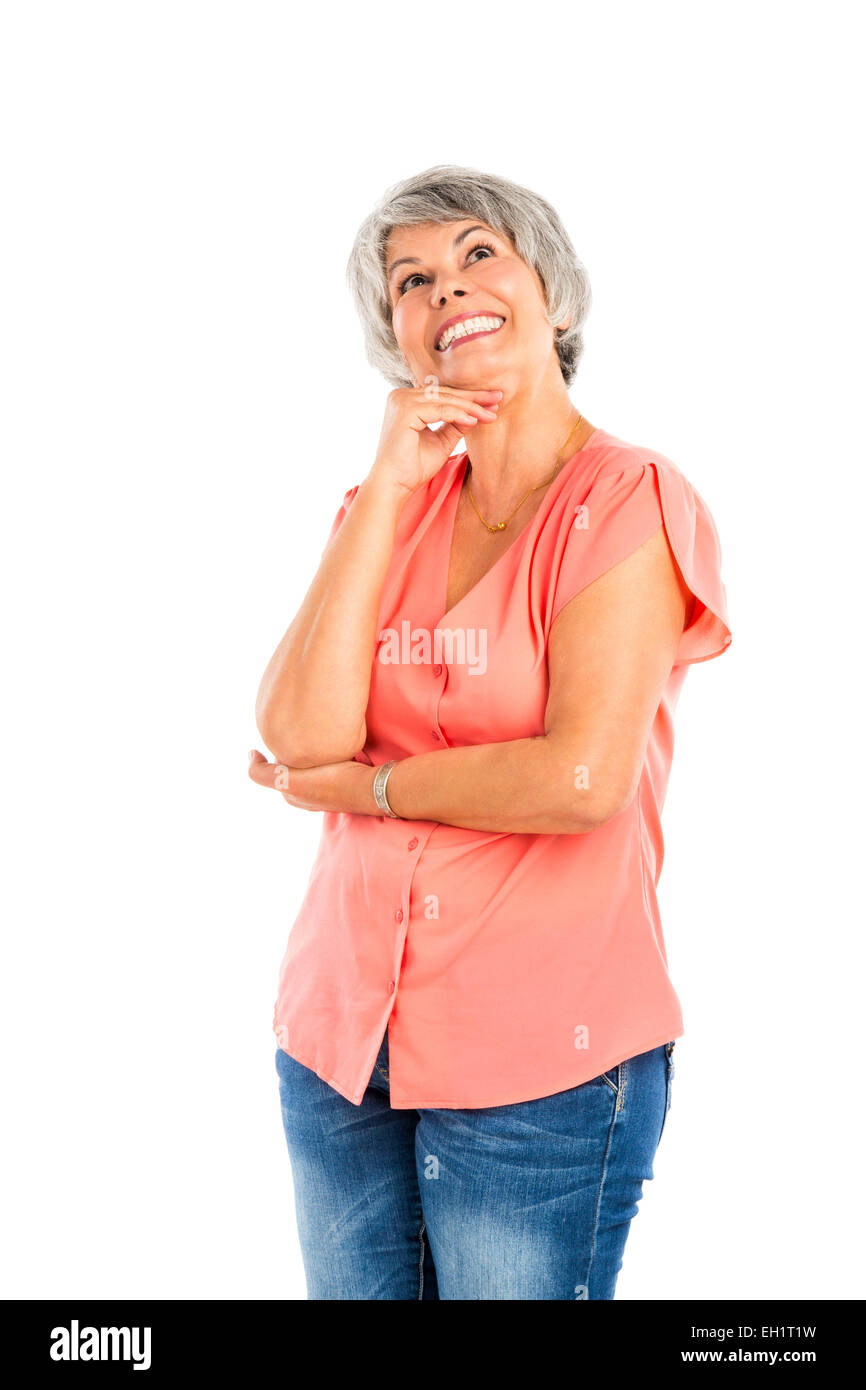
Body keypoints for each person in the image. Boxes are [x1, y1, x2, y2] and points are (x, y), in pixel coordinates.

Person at [248, 164, 733, 1300]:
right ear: (394, 334)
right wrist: (384, 481)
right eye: (408, 280)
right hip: (339, 1039)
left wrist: (365, 790)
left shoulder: (626, 497)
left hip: (539, 1064)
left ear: (549, 294)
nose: (443, 289)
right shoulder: (387, 506)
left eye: (477, 254)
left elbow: (577, 778)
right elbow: (292, 725)